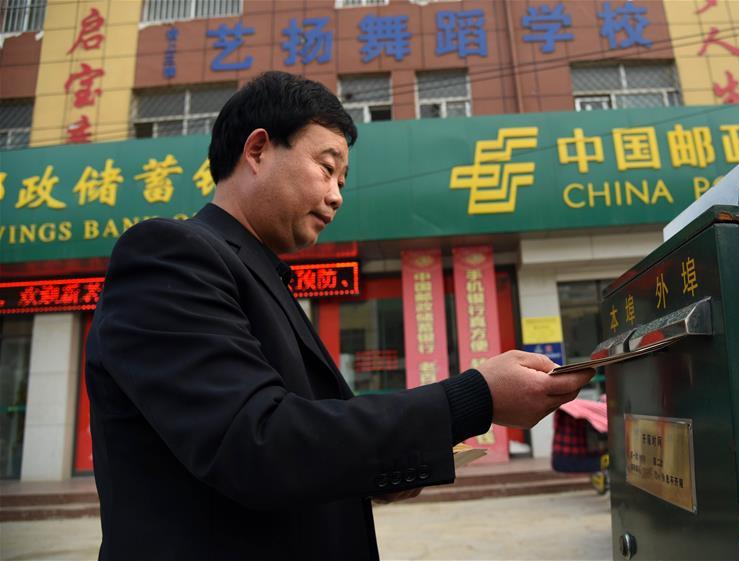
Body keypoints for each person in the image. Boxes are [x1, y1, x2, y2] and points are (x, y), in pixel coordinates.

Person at [85, 71, 594, 561]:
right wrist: (475, 398)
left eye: (342, 180)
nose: (336, 195)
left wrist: (372, 474)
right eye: (326, 169)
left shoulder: (262, 274)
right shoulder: (170, 255)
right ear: (258, 150)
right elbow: (255, 443)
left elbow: (299, 447)